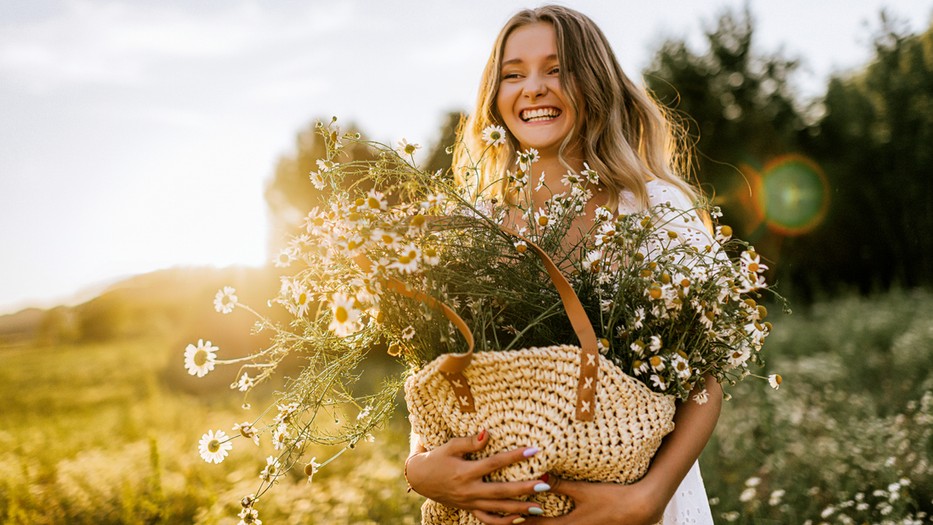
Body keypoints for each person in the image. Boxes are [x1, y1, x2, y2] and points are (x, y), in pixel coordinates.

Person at [404, 6, 721, 525]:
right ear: (495, 96)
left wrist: (647, 500)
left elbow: (704, 381)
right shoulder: (468, 223)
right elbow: (439, 381)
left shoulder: (651, 209)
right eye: (514, 74)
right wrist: (419, 470)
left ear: (594, 81)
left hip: (635, 505)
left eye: (557, 69)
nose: (533, 87)